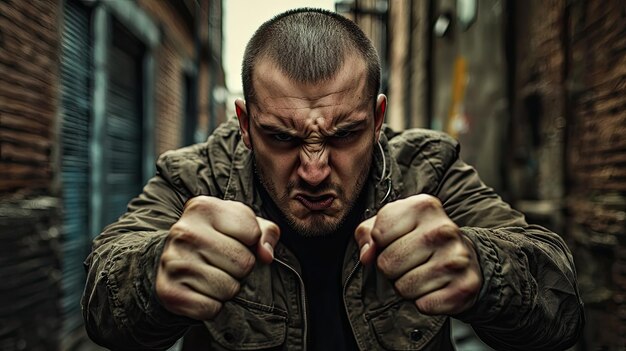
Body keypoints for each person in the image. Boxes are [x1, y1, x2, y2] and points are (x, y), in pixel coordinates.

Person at [82, 7, 584, 351]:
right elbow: (102, 298)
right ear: (244, 121)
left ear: (378, 116)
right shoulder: (196, 176)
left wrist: (483, 270)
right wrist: (153, 275)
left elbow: (561, 304)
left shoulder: (429, 170)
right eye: (281, 137)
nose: (315, 170)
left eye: (345, 135)